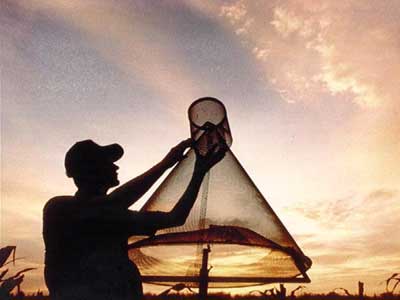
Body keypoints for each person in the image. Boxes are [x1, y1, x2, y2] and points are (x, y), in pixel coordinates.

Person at [42, 138, 226, 300]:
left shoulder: (116, 216)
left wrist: (198, 172)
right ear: (91, 169)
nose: (116, 166)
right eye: (107, 162)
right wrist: (166, 163)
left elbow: (175, 218)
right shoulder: (59, 208)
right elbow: (110, 204)